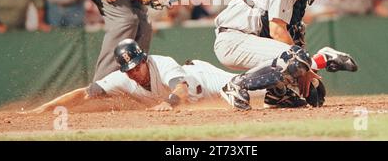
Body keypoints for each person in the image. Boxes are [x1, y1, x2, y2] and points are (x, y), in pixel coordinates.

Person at [214, 0, 358, 110]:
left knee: (297, 36)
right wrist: (305, 69)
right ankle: (236, 85)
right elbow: (277, 31)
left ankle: (278, 94)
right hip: (233, 40)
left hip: (247, 38)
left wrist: (305, 72)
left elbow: (291, 36)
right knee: (296, 57)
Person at [27, 39, 237, 113]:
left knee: (256, 89)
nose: (134, 72)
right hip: (198, 102)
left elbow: (181, 88)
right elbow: (85, 94)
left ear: (144, 60)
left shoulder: (161, 63)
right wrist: (43, 109)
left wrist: (169, 103)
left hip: (207, 82)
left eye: (137, 66)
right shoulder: (122, 79)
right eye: (129, 70)